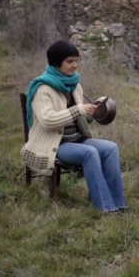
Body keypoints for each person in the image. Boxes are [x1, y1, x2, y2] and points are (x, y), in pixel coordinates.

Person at [21, 41, 127, 213]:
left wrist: (92, 113)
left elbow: (79, 119)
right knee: (90, 153)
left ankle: (119, 203)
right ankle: (106, 208)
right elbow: (47, 120)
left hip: (77, 139)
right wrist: (78, 110)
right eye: (70, 61)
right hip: (54, 143)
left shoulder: (74, 85)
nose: (75, 65)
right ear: (56, 63)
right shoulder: (43, 88)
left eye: (76, 60)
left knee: (111, 148)